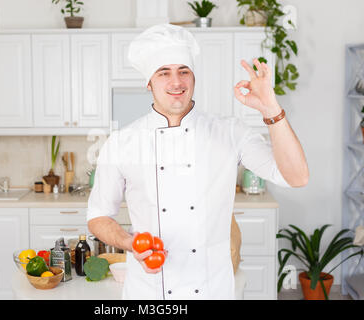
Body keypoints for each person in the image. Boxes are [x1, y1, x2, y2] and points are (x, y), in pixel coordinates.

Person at [87, 24, 309, 300]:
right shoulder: (122, 142)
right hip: (149, 291)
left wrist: (270, 109)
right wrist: (129, 243)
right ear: (149, 82)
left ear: (193, 77)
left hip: (210, 289)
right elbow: (98, 216)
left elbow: (296, 177)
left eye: (183, 71)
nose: (176, 82)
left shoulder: (230, 132)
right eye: (163, 72)